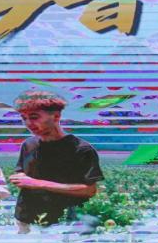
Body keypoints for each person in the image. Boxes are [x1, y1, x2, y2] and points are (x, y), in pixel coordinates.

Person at [10, 89, 103, 230]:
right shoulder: (28, 145)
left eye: (34, 117)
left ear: (56, 116)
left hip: (61, 223)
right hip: (24, 219)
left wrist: (38, 183)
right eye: (24, 118)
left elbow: (89, 190)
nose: (28, 123)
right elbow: (22, 173)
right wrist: (20, 177)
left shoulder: (81, 149)